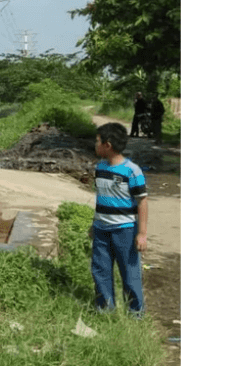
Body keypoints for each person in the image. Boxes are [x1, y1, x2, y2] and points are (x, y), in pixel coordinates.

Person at [89, 122, 148, 316]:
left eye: (97, 141)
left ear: (108, 145)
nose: (95, 145)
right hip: (101, 230)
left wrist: (141, 233)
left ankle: (136, 315)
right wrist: (94, 223)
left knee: (130, 275)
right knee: (100, 271)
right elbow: (101, 199)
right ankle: (105, 311)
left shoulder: (132, 171)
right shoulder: (100, 168)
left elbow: (142, 203)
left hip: (125, 231)